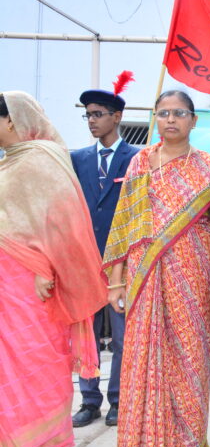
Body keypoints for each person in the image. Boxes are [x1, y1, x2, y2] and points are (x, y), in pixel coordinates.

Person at [103, 90, 210, 447]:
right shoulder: (140, 162)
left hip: (193, 273)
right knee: (143, 360)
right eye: (163, 113)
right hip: (143, 275)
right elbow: (124, 226)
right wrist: (116, 280)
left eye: (179, 113)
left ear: (194, 121)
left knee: (191, 361)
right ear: (154, 118)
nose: (171, 119)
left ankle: (186, 446)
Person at [0, 91, 106, 447]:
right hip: (4, 279)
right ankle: (10, 443)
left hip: (34, 283)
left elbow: (63, 221)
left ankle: (50, 441)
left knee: (39, 358)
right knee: (4, 364)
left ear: (11, 120)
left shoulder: (43, 158)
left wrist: (47, 267)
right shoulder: (7, 163)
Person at [70, 72, 139, 428]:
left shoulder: (138, 158)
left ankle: (118, 399)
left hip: (123, 265)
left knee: (124, 335)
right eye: (88, 114)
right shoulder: (76, 159)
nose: (92, 120)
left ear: (117, 117)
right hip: (84, 262)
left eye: (98, 114)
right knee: (88, 336)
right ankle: (89, 399)